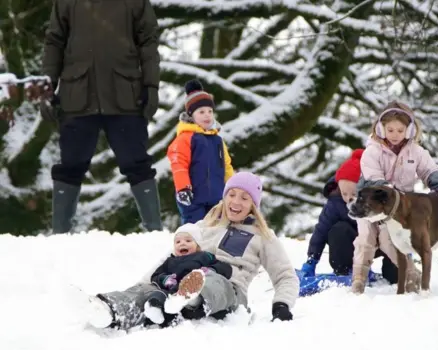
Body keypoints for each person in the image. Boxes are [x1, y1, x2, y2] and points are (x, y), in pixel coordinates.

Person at [86, 171, 299, 330]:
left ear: (254, 204)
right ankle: (112, 309)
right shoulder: (205, 226)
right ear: (224, 197)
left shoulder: (263, 236)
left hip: (230, 292)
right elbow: (170, 258)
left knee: (215, 281)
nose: (235, 202)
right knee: (151, 291)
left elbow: (285, 276)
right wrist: (144, 284)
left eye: (244, 198)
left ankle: (192, 299)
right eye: (232, 194)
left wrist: (281, 305)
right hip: (182, 279)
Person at [41, 0, 162, 233]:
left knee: (138, 165)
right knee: (70, 166)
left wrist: (152, 86)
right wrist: (47, 88)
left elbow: (148, 41)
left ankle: (155, 233)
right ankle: (59, 237)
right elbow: (54, 42)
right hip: (77, 96)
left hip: (125, 97)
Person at [351, 100, 438, 294]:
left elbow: (429, 168)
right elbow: (374, 178)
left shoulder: (415, 152)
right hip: (372, 205)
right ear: (381, 129)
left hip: (399, 209)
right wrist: (387, 190)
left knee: (390, 240)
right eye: (390, 130)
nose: (395, 135)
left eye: (400, 131)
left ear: (409, 131)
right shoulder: (372, 151)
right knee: (365, 238)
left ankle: (411, 275)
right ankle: (358, 279)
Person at [299, 149, 398, 284]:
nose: (348, 198)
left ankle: (397, 272)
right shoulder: (335, 203)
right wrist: (312, 260)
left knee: (391, 234)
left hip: (378, 243)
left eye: (353, 193)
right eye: (344, 193)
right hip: (352, 244)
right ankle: (345, 270)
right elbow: (320, 232)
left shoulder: (381, 201)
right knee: (338, 230)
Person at [167, 80, 234, 224]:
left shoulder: (217, 140)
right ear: (191, 115)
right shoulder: (186, 138)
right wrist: (183, 188)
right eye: (201, 112)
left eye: (210, 111)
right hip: (193, 198)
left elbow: (227, 167)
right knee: (196, 231)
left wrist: (232, 188)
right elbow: (178, 164)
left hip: (217, 198)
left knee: (216, 231)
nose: (207, 115)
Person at [143, 223, 233, 327]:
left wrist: (210, 270)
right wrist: (165, 279)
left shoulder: (204, 256)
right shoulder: (170, 261)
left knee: (201, 293)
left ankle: (190, 298)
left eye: (188, 241)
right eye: (178, 242)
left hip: (196, 289)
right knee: (158, 294)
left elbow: (226, 267)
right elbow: (156, 275)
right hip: (172, 292)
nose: (182, 244)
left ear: (198, 245)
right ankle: (155, 311)